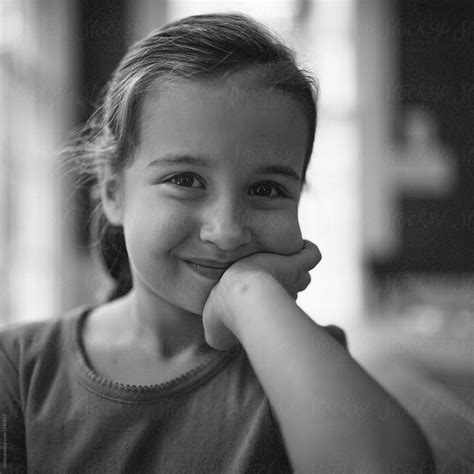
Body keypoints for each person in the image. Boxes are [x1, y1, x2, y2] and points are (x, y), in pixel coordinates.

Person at [0, 13, 434, 473]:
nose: (226, 230)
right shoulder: (21, 366)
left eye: (266, 190)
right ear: (112, 192)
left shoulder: (297, 359)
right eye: (185, 179)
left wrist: (249, 293)